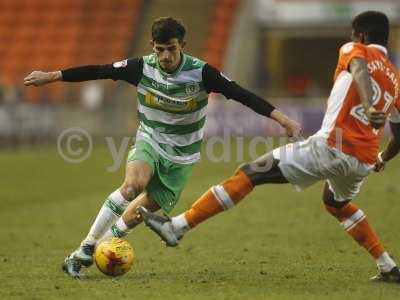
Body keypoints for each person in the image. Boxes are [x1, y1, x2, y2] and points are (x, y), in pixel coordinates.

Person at [23, 17, 301, 278]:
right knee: (133, 185)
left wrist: (282, 118)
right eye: (160, 50)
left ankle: (95, 251)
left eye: (171, 49)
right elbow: (100, 70)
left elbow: (242, 95)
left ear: (183, 46)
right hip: (150, 139)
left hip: (183, 156)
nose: (165, 56)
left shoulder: (201, 73)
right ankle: (85, 247)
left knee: (134, 216)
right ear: (152, 47)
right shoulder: (141, 67)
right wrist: (54, 75)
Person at [139, 11, 400, 282]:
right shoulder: (395, 78)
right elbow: (399, 134)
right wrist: (383, 156)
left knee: (250, 173)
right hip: (364, 161)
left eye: (353, 36)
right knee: (336, 203)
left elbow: (358, 67)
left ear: (360, 36)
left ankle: (176, 227)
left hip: (332, 148)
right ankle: (387, 265)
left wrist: (368, 104)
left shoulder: (354, 50)